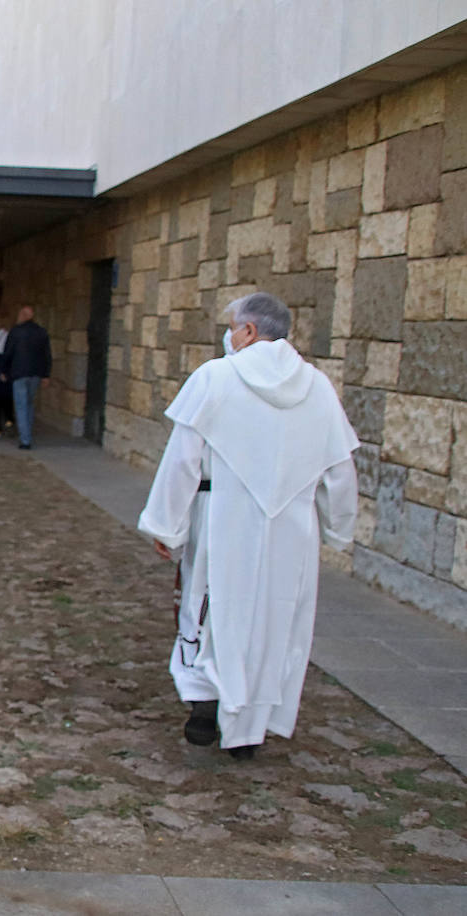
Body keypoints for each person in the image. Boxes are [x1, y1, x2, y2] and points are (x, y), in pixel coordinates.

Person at [137, 292, 358, 760]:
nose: (228, 334)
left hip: (223, 518)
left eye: (232, 326)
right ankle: (250, 728)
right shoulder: (318, 387)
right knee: (273, 621)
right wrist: (339, 528)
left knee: (211, 608)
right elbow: (339, 472)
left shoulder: (215, 378)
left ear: (249, 332)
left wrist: (167, 525)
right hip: (292, 529)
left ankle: (205, 702)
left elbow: (182, 460)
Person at [4, 306, 51, 449]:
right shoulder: (41, 332)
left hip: (19, 372)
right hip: (35, 373)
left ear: (23, 315)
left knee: (21, 405)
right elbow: (47, 354)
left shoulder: (16, 331)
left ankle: (25, 440)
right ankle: (27, 434)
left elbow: (8, 352)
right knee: (29, 404)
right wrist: (46, 374)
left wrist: (4, 370)